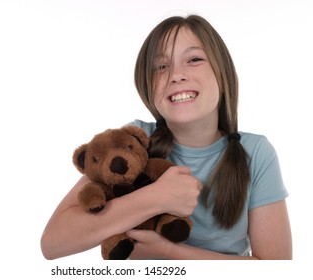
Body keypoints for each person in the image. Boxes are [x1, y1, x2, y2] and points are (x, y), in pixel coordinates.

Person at [40, 15, 292, 260]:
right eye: (161, 66)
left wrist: (169, 253)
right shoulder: (134, 141)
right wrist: (155, 198)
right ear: (148, 87)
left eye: (194, 59)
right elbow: (53, 243)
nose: (176, 74)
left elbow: (275, 267)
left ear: (222, 73)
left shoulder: (256, 152)